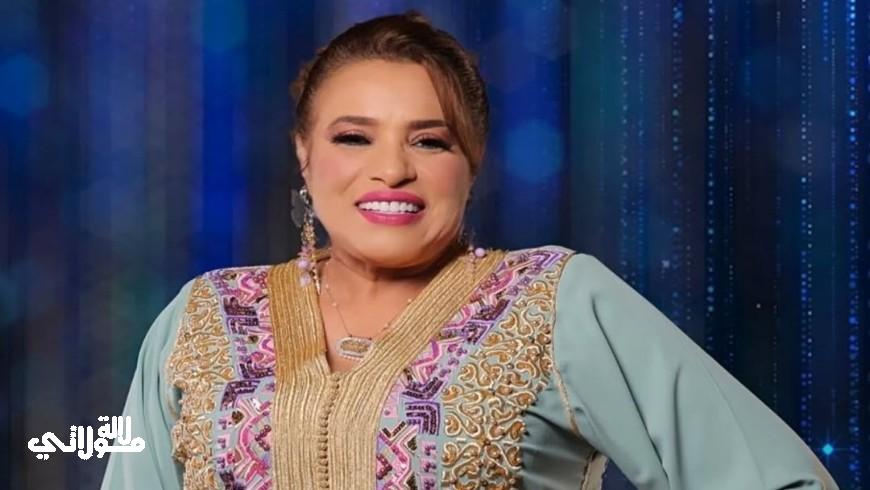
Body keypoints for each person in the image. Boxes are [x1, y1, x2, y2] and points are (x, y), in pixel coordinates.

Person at [100, 10, 838, 490]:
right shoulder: (201, 318)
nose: (391, 170)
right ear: (303, 154)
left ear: (471, 162)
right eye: (353, 137)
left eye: (430, 141)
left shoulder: (555, 303)